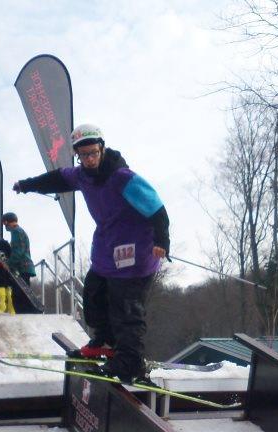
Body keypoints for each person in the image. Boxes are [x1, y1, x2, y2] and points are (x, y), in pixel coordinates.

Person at [13, 123, 169, 382]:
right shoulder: (81, 175)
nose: (89, 160)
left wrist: (163, 239)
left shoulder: (122, 177)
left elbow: (156, 208)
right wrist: (27, 185)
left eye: (93, 153)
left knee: (125, 308)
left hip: (138, 250)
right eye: (83, 155)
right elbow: (55, 179)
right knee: (94, 294)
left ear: (102, 149)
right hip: (108, 250)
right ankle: (105, 342)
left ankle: (130, 362)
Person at [1, 212, 38, 314]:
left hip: (23, 267)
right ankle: (28, 312)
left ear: (7, 222)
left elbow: (18, 251)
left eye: (5, 224)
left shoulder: (16, 231)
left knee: (19, 294)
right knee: (24, 292)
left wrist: (9, 263)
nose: (5, 227)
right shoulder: (20, 231)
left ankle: (26, 313)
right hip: (26, 267)